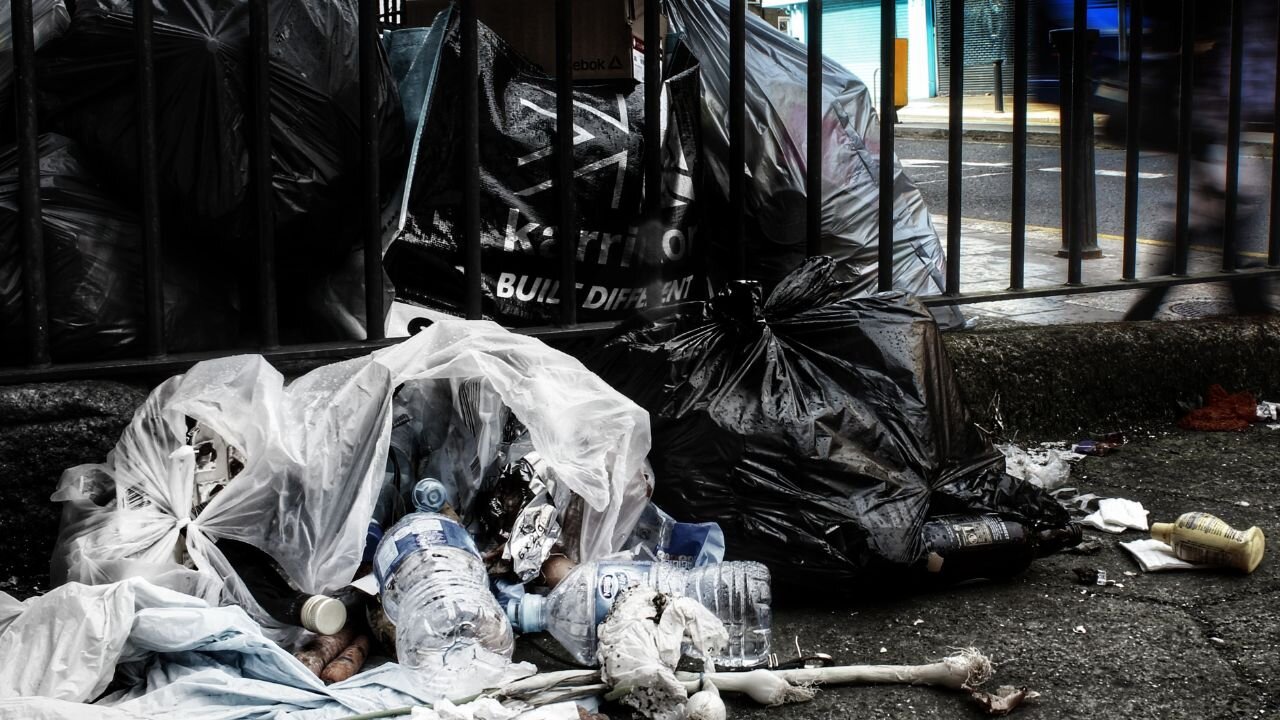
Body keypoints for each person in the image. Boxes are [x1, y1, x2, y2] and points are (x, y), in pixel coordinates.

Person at [1119, 0, 1277, 320]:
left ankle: (1248, 307)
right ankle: (1251, 310)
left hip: (1212, 140)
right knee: (1213, 225)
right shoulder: (1227, 32)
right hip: (1211, 139)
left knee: (1201, 232)